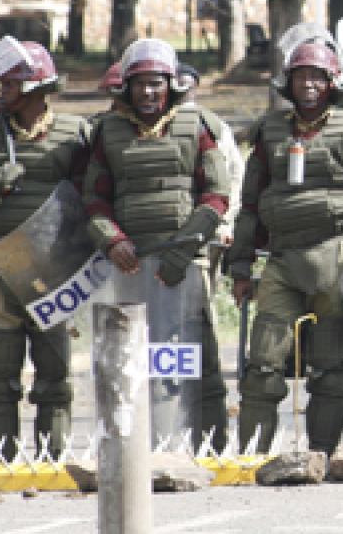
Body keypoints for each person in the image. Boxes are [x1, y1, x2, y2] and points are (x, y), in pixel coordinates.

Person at [226, 29, 343, 455]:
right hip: (280, 262)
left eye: (316, 77)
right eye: (300, 77)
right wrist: (240, 267)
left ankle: (321, 456)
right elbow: (251, 204)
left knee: (330, 370)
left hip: (335, 261)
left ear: (332, 83)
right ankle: (252, 458)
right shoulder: (268, 131)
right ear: (288, 84)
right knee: (262, 367)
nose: (308, 85)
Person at [83, 38, 231, 451]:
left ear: (171, 85)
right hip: (129, 268)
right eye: (140, 84)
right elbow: (93, 198)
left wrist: (183, 251)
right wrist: (111, 240)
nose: (148, 92)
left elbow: (216, 196)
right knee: (132, 359)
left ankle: (211, 448)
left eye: (156, 84)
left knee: (196, 358)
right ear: (127, 88)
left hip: (185, 266)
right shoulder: (106, 131)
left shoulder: (198, 125)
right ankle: (135, 448)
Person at [0, 39, 88, 459]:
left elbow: (91, 195)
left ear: (35, 87)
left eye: (10, 83)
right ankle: (1, 459)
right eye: (1, 82)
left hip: (53, 268)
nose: (1, 90)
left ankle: (52, 459)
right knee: (0, 373)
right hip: (0, 265)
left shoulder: (74, 134)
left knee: (54, 373)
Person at [179, 63, 243, 272]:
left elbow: (234, 176)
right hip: (172, 225)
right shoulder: (156, 126)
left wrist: (224, 223)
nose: (184, 92)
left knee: (205, 290)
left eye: (188, 87)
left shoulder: (213, 126)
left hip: (209, 223)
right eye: (179, 85)